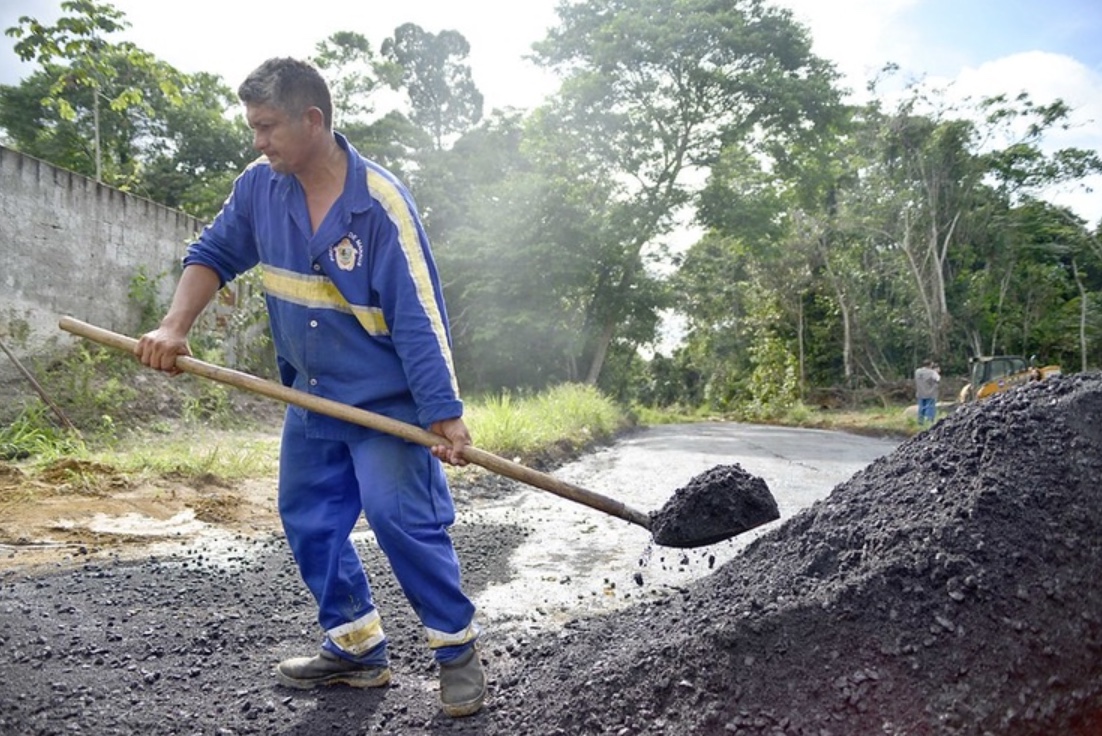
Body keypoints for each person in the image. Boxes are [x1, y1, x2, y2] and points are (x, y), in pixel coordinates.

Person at [135, 57, 486, 718]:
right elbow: (211, 253)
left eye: (267, 126)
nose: (257, 140)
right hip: (309, 394)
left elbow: (419, 317)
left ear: (312, 119)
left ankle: (456, 651)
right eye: (253, 127)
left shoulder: (379, 205)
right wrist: (174, 326)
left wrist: (443, 413)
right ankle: (356, 649)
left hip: (385, 404)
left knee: (400, 518)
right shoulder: (259, 189)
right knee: (309, 519)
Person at [914, 359, 941, 426]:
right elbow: (938, 379)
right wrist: (936, 372)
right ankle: (929, 422)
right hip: (930, 393)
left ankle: (920, 422)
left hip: (920, 393)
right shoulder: (932, 372)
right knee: (930, 408)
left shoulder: (917, 371)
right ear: (930, 364)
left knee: (921, 408)